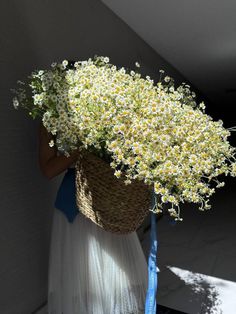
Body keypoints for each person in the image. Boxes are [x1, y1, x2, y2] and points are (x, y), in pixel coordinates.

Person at [38, 91, 148, 314]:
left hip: (110, 197)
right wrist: (81, 147)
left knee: (118, 270)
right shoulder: (49, 118)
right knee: (81, 274)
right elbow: (48, 169)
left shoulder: (105, 111)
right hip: (73, 201)